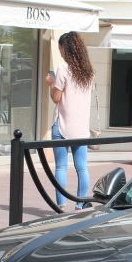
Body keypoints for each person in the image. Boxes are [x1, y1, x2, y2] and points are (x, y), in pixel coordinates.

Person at [44, 31, 95, 208]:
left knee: (61, 167)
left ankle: (61, 206)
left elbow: (56, 98)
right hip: (81, 127)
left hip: (63, 124)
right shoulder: (89, 72)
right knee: (82, 167)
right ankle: (80, 205)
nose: (60, 53)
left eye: (60, 49)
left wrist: (51, 84)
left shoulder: (63, 70)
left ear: (66, 49)